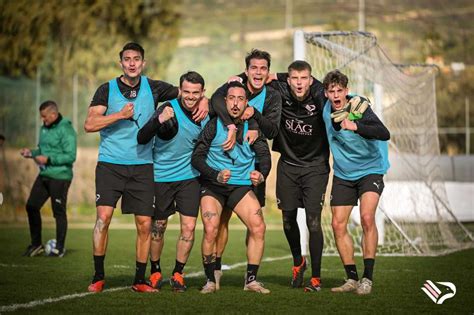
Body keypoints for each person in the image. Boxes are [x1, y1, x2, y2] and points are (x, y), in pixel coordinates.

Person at [84, 42, 208, 293]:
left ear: (143, 62)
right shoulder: (106, 89)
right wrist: (118, 115)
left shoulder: (154, 87)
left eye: (136, 59)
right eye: (127, 59)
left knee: (144, 224)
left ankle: (140, 280)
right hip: (110, 164)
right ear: (121, 62)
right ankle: (98, 276)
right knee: (103, 219)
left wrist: (204, 99)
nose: (132, 63)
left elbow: (186, 93)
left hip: (143, 166)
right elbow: (90, 124)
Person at [192, 81, 271, 294]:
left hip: (240, 186)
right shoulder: (213, 124)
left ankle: (251, 280)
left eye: (241, 99)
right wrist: (215, 174)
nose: (236, 103)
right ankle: (210, 279)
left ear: (247, 102)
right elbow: (197, 158)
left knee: (258, 227)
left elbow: (265, 156)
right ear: (224, 101)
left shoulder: (254, 128)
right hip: (213, 185)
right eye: (232, 98)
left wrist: (261, 174)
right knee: (211, 228)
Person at [210, 49, 281, 287]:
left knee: (255, 224)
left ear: (268, 72)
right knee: (221, 221)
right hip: (225, 165)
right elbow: (215, 102)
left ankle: (250, 278)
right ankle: (216, 271)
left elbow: (272, 131)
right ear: (247, 69)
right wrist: (233, 125)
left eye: (263, 68)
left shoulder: (272, 96)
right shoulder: (233, 84)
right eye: (254, 68)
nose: (258, 72)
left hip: (253, 166)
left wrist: (254, 118)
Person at [137, 71, 210, 292]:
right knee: (159, 227)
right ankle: (156, 270)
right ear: (180, 90)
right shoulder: (167, 108)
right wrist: (159, 120)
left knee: (188, 227)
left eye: (196, 93)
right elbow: (142, 137)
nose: (190, 97)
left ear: (202, 93)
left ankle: (178, 273)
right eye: (186, 92)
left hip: (190, 178)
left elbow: (228, 100)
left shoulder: (206, 111)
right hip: (161, 177)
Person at [322, 70, 390, 295]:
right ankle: (351, 278)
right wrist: (274, 77)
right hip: (343, 172)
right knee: (337, 224)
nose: (335, 94)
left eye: (339, 90)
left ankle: (367, 278)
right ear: (326, 93)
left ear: (346, 91)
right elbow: (300, 80)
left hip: (370, 170)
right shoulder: (325, 108)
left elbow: (384, 132)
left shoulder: (359, 107)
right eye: (331, 91)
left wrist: (356, 126)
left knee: (367, 217)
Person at [21, 100, 77, 257]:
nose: (43, 120)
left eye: (45, 117)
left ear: (53, 114)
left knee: (58, 212)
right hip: (44, 175)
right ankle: (36, 244)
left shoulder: (66, 129)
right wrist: (31, 153)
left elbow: (71, 156)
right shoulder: (43, 128)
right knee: (31, 206)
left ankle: (59, 247)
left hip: (60, 176)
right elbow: (41, 149)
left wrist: (49, 159)